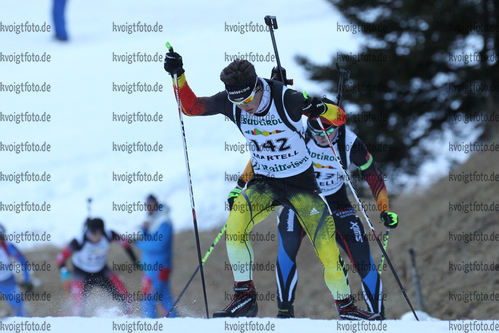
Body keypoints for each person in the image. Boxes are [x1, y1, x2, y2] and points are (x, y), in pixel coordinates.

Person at [164, 51, 379, 320]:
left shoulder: (286, 98)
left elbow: (340, 118)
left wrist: (321, 108)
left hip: (301, 187)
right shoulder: (233, 103)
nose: (243, 107)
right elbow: (192, 108)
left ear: (257, 87)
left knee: (327, 249)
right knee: (235, 225)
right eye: (236, 101)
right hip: (265, 183)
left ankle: (346, 308)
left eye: (246, 100)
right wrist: (179, 75)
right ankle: (245, 297)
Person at [229, 118, 399, 319]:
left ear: (337, 127)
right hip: (299, 200)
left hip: (337, 204)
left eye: (327, 132)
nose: (321, 138)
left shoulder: (351, 143)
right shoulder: (299, 134)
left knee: (363, 258)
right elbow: (264, 156)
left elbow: (374, 177)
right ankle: (284, 314)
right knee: (288, 247)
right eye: (316, 133)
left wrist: (384, 210)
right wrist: (240, 186)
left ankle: (378, 318)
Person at [56, 218, 137, 316]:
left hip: (101, 270)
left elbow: (125, 243)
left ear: (101, 233)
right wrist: (63, 270)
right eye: (90, 232)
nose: (92, 236)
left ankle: (127, 318)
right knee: (77, 307)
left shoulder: (109, 235)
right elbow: (60, 258)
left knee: (125, 296)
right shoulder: (79, 240)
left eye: (95, 234)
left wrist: (135, 260)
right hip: (81, 273)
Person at [135, 194, 176, 318]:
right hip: (152, 268)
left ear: (156, 204)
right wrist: (144, 230)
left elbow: (159, 245)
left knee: (148, 298)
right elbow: (150, 239)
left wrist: (139, 242)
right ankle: (177, 324)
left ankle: (149, 326)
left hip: (158, 268)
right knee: (164, 298)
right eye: (146, 205)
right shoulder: (154, 221)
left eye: (150, 205)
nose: (148, 208)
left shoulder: (164, 222)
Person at [0, 223, 33, 316]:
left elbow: (23, 262)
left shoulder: (8, 246)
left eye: (1, 237)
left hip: (7, 281)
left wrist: (27, 281)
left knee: (19, 308)